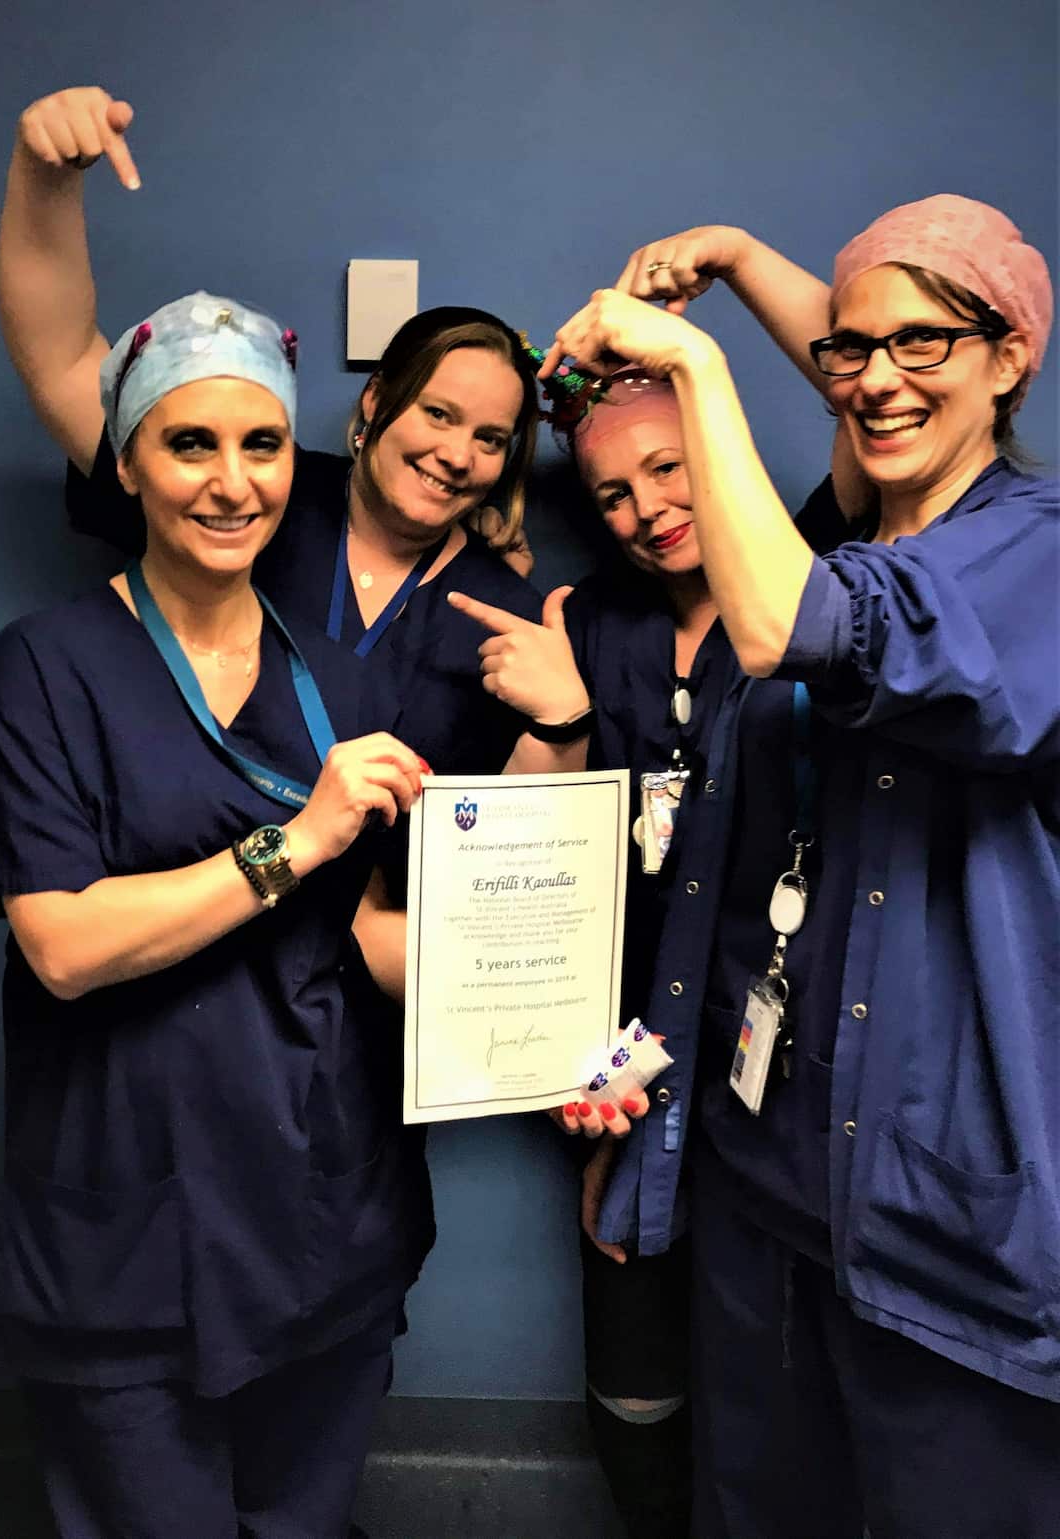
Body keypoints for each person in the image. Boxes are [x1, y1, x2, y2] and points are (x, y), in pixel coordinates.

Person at [541, 195, 1060, 1538]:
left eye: (931, 342)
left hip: (942, 1214)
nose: (881, 376)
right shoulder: (860, 532)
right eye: (853, 348)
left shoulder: (1037, 556)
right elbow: (719, 895)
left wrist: (695, 356)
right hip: (765, 1180)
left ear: (1012, 358)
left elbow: (781, 622)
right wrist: (725, 252)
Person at [0, 294, 435, 1539]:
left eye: (259, 445)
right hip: (129, 1212)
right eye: (188, 443)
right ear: (127, 460)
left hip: (321, 1196)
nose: (232, 481)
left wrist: (553, 1025)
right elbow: (66, 947)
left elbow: (360, 933)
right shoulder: (44, 668)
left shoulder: (335, 680)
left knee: (302, 1521)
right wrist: (294, 841)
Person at [451, 363, 854, 1536]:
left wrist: (711, 277)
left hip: (781, 1057)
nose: (645, 510)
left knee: (776, 1359)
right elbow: (524, 860)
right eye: (612, 491)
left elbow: (851, 395)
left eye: (667, 469)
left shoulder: (807, 599)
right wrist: (555, 719)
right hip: (613, 1053)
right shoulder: (583, 624)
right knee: (633, 1350)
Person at [0, 86, 548, 784]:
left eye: (492, 439)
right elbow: (66, 363)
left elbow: (494, 844)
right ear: (376, 400)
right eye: (437, 413)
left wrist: (567, 716)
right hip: (185, 876)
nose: (458, 454)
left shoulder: (505, 611)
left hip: (378, 895)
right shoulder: (253, 491)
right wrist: (45, 178)